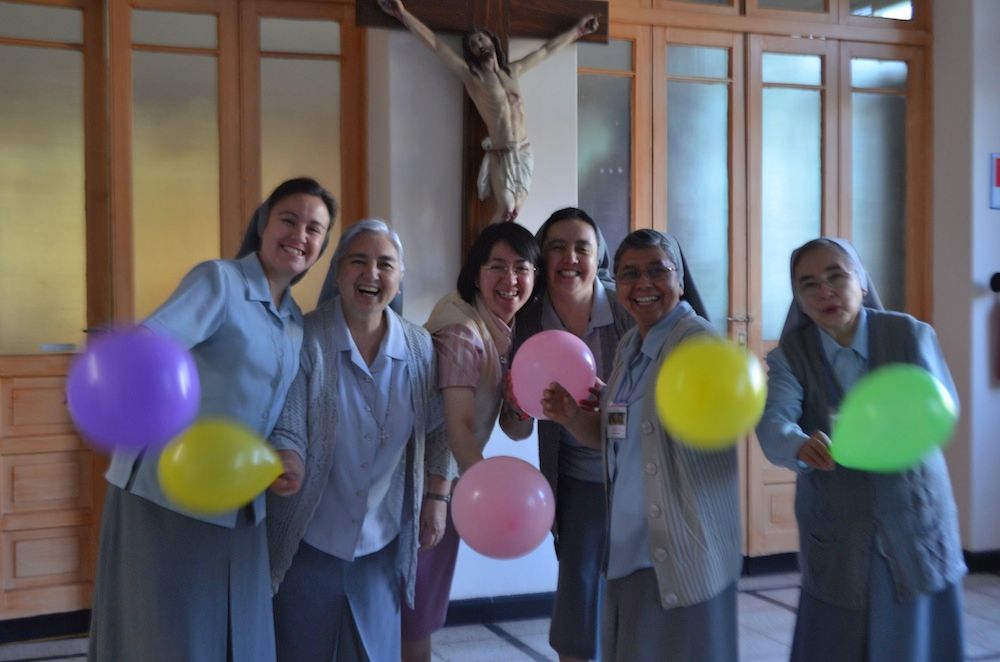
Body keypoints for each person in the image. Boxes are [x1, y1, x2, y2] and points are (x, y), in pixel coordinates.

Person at [88, 177, 336, 662]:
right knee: (165, 639)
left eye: (314, 229)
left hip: (238, 498)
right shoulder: (220, 282)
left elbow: (274, 408)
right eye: (289, 220)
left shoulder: (293, 322)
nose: (299, 235)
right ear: (264, 224)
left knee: (235, 638)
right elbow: (151, 346)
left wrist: (286, 456)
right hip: (166, 491)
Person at [756, 237, 966, 662]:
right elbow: (773, 422)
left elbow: (941, 410)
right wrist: (800, 444)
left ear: (862, 282)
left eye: (836, 276)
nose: (825, 292)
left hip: (913, 521)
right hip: (839, 531)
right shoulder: (791, 357)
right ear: (799, 299)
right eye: (809, 284)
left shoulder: (910, 336)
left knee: (915, 642)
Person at [543, 229, 741, 662]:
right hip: (631, 547)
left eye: (657, 270)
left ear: (680, 280)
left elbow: (715, 422)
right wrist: (571, 416)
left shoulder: (697, 344)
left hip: (679, 552)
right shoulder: (632, 345)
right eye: (630, 274)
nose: (643, 283)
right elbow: (613, 436)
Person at [265, 219, 455, 661]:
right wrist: (289, 458)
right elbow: (288, 418)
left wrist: (437, 496)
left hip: (381, 541)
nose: (371, 274)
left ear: (399, 278)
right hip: (309, 539)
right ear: (337, 273)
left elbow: (440, 428)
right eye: (358, 261)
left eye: (385, 264)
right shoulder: (305, 338)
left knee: (372, 652)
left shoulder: (420, 348)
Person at [401, 222, 541, 662]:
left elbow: (515, 428)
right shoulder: (463, 332)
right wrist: (445, 495)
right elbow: (454, 425)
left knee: (419, 606)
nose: (510, 279)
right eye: (496, 266)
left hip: (445, 480)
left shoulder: (503, 328)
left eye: (521, 268)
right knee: (415, 609)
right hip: (423, 484)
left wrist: (520, 404)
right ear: (476, 274)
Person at [503, 207, 633, 662]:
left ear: (599, 256)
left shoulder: (626, 309)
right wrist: (517, 406)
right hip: (576, 480)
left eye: (582, 247)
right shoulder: (527, 320)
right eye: (557, 247)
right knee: (578, 596)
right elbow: (517, 429)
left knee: (636, 594)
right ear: (542, 257)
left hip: (637, 471)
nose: (570, 258)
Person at [378, 0, 598, 222]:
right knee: (506, 208)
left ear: (493, 40)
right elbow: (436, 44)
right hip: (502, 154)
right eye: (473, 44)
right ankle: (486, 245)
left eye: (481, 39)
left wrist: (578, 30)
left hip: (524, 150)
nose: (479, 44)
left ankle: (502, 243)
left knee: (514, 212)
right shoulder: (474, 78)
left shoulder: (513, 71)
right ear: (471, 53)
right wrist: (402, 14)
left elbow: (546, 50)